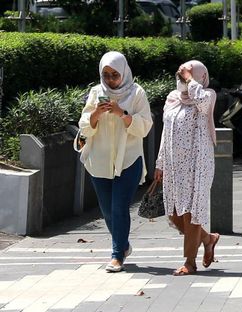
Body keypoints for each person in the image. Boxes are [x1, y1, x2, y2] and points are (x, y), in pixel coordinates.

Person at [78, 51, 153, 273]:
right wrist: (96, 115)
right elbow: (84, 126)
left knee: (119, 207)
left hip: (128, 159)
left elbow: (145, 126)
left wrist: (122, 113)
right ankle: (123, 244)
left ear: (124, 72)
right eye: (106, 74)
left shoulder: (137, 93)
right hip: (99, 161)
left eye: (115, 75)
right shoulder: (96, 92)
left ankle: (116, 255)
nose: (110, 80)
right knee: (107, 210)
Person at [154, 60, 220, 276]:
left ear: (200, 77)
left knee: (190, 213)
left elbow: (201, 103)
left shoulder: (206, 95)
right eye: (181, 77)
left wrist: (191, 80)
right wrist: (160, 163)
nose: (183, 81)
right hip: (174, 166)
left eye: (188, 77)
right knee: (175, 214)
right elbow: (165, 133)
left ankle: (189, 262)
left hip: (196, 165)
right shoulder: (173, 100)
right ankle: (208, 239)